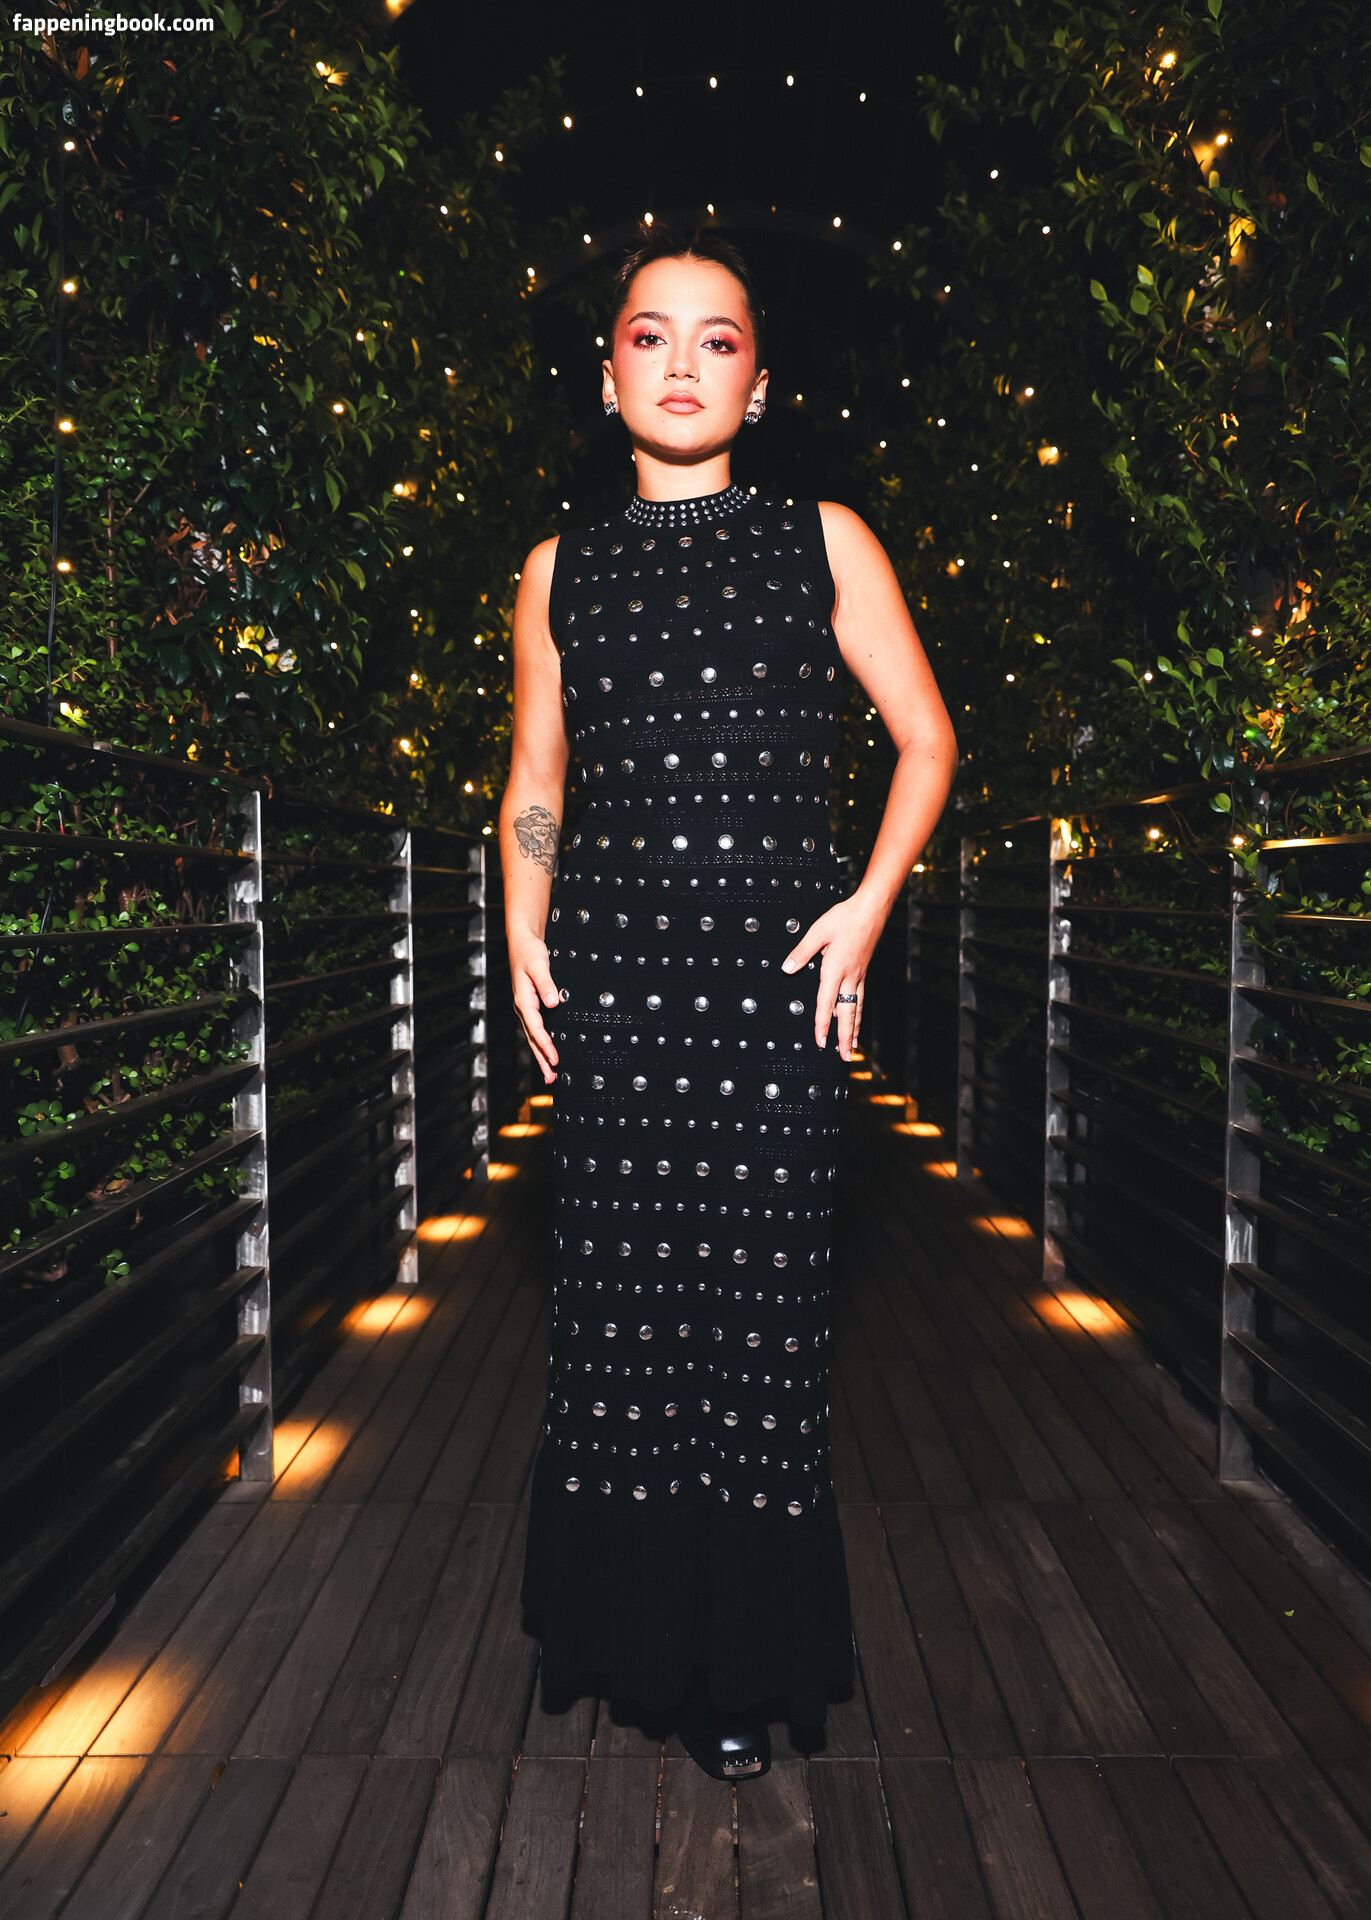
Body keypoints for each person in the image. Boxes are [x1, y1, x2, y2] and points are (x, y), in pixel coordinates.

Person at [501, 225, 957, 1780]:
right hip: (621, 991)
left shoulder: (825, 541)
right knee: (616, 1321)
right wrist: (521, 920)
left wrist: (867, 904)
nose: (683, 363)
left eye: (719, 340)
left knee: (756, 1327)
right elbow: (538, 776)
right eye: (652, 335)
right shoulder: (557, 571)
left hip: (774, 1002)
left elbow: (926, 739)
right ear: (607, 373)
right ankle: (611, 1630)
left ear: (759, 385)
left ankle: (732, 1671)